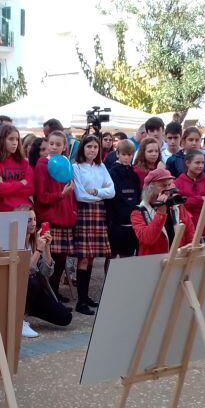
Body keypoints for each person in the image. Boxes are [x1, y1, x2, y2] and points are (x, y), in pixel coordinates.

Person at [71, 135, 114, 315]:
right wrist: (100, 195)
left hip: (98, 212)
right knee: (83, 257)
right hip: (85, 212)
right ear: (83, 148)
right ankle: (81, 301)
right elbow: (80, 195)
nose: (92, 150)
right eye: (89, 146)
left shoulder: (101, 166)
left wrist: (97, 191)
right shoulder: (76, 167)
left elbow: (111, 191)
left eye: (95, 147)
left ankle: (85, 296)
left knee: (91, 258)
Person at [34, 130, 77, 302]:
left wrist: (73, 211)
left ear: (64, 146)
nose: (54, 147)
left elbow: (71, 192)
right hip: (51, 218)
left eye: (58, 144)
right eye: (51, 143)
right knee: (49, 261)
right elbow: (41, 196)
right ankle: (49, 297)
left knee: (61, 261)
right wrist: (61, 194)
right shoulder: (42, 165)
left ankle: (56, 293)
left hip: (66, 218)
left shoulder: (66, 163)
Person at [22, 207, 72, 338]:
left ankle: (30, 309)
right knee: (32, 282)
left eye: (34, 219)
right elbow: (25, 269)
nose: (33, 224)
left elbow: (47, 272)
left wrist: (47, 248)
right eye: (28, 220)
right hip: (21, 289)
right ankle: (19, 320)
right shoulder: (15, 242)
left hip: (35, 292)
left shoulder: (35, 241)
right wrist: (39, 250)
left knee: (66, 317)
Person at [132, 168, 194, 255]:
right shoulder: (138, 212)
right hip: (153, 263)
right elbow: (148, 240)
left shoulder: (178, 207)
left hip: (177, 260)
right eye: (163, 186)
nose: (168, 189)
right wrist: (161, 213)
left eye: (169, 185)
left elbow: (190, 233)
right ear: (150, 188)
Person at [106, 139, 141, 259]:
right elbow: (109, 198)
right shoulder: (112, 173)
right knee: (111, 256)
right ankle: (109, 278)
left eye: (129, 155)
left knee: (127, 257)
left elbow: (138, 195)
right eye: (124, 154)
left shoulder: (134, 174)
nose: (126, 158)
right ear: (118, 154)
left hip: (131, 223)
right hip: (116, 223)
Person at [0, 124, 33, 212]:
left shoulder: (24, 162)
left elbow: (30, 188)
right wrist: (21, 183)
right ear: (2, 140)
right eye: (11, 139)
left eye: (17, 139)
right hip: (4, 212)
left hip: (26, 211)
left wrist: (7, 186)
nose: (15, 142)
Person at [174, 150, 205, 240]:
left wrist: (189, 200)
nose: (201, 166)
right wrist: (200, 199)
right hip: (185, 230)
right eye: (197, 162)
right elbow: (179, 205)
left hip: (204, 229)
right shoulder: (178, 183)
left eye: (203, 163)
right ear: (187, 163)